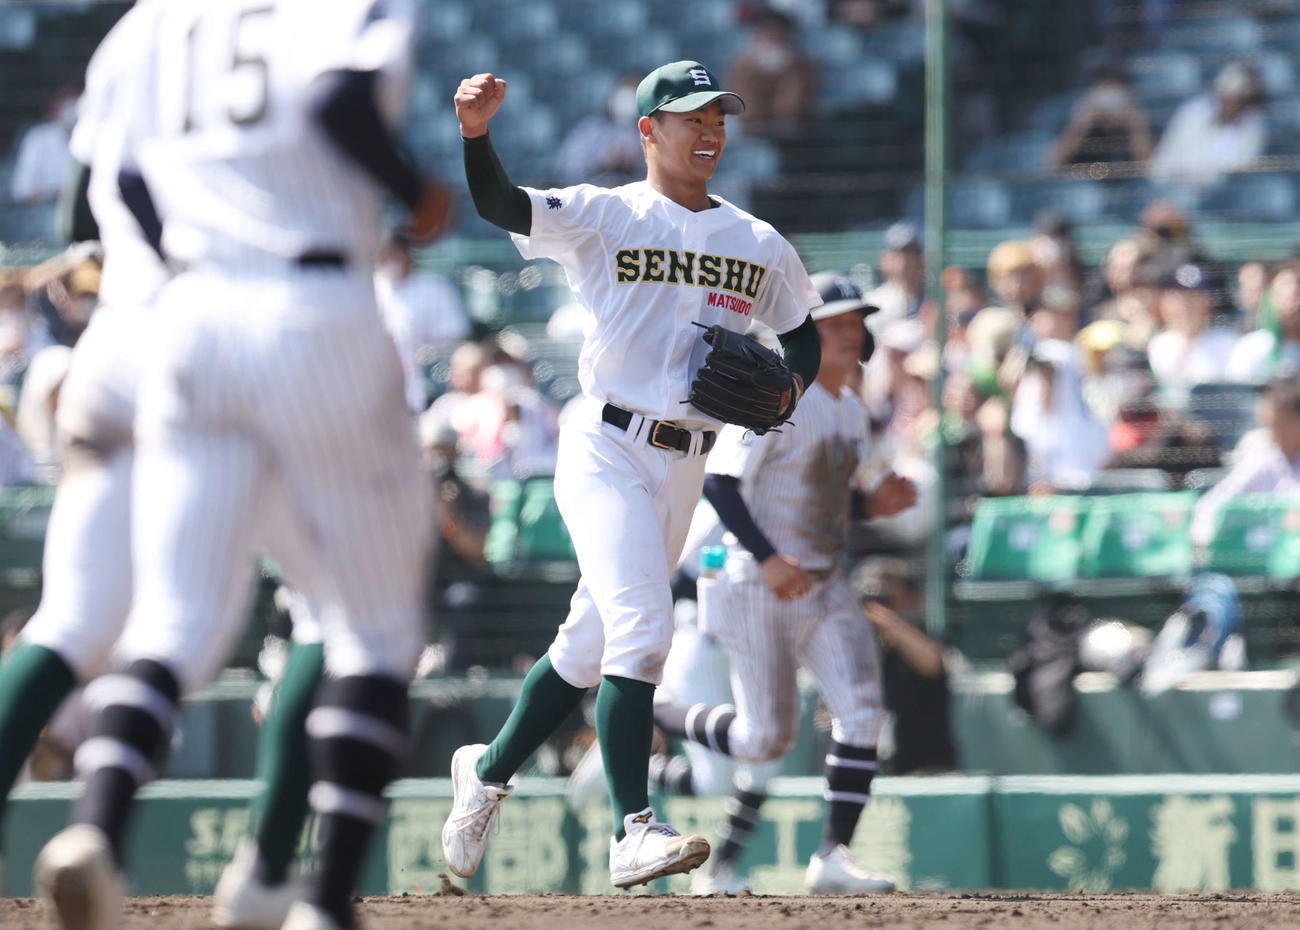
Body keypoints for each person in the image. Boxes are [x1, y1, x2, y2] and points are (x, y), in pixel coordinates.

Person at [30, 5, 449, 930]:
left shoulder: (151, 22)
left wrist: (193, 250)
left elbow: (121, 181)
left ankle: (96, 830)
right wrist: (416, 191)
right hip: (318, 307)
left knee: (175, 619)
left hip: (190, 316)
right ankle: (326, 900)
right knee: (375, 632)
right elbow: (341, 99)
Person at [440, 61, 823, 890]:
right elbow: (502, 205)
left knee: (587, 646)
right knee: (644, 629)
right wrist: (477, 135)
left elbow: (803, 334)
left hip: (687, 459)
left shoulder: (757, 242)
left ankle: (488, 770)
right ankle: (633, 830)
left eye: (718, 115)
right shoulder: (607, 213)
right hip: (605, 444)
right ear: (648, 131)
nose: (710, 128)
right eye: (690, 116)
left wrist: (791, 385)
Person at [651, 272, 916, 895]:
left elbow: (830, 501)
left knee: (863, 715)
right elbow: (720, 483)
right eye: (837, 323)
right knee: (763, 739)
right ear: (805, 332)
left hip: (823, 583)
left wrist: (876, 506)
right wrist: (769, 557)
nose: (851, 334)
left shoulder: (852, 408)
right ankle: (650, 711)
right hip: (752, 583)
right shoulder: (774, 396)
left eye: (857, 323)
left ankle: (832, 856)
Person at [1189, 374, 1300, 548]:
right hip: (1266, 560)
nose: (1274, 431)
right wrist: (1203, 538)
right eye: (1272, 425)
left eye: (1281, 424)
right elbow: (1213, 503)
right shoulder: (1263, 460)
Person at [375, 228, 469, 413]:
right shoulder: (369, 288)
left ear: (406, 253)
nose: (387, 258)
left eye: (392, 252)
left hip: (425, 390)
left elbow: (454, 340)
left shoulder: (435, 286)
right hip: (376, 389)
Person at [1148, 60, 1267, 193]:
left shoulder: (1253, 125)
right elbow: (1166, 160)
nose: (1232, 104)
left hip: (1217, 195)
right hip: (1173, 187)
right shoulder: (1192, 112)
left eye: (1239, 99)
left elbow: (1238, 170)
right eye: (1229, 97)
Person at [1048, 65, 1153, 169]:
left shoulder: (1140, 123)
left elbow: (1147, 170)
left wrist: (1135, 125)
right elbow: (1053, 164)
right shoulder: (1077, 121)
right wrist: (1082, 123)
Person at [10, 84, 78, 204]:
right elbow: (22, 191)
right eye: (69, 106)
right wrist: (53, 195)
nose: (73, 111)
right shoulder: (38, 138)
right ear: (56, 109)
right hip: (43, 212)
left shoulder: (92, 140)